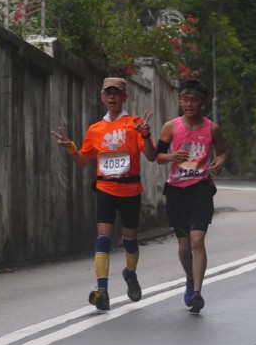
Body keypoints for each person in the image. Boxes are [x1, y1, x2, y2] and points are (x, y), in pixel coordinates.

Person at [51, 77, 156, 311]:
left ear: (124, 97)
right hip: (105, 189)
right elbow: (82, 160)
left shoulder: (135, 123)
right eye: (108, 93)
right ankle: (102, 291)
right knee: (103, 239)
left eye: (116, 93)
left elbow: (151, 156)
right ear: (102, 97)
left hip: (130, 191)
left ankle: (130, 274)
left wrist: (147, 135)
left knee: (130, 241)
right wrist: (70, 146)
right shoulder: (95, 129)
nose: (112, 97)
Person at [156, 80, 226, 314]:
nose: (188, 104)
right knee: (184, 246)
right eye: (185, 100)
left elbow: (222, 152)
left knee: (197, 240)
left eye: (194, 100)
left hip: (201, 188)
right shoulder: (171, 127)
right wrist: (172, 156)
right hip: (177, 190)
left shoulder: (211, 128)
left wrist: (219, 162)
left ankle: (197, 292)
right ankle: (189, 278)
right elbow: (157, 156)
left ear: (202, 103)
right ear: (180, 101)